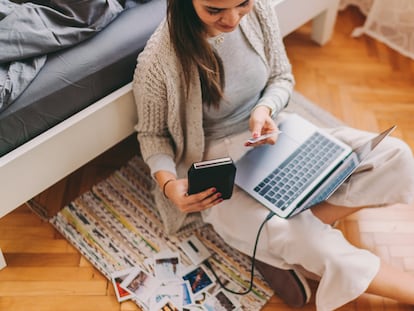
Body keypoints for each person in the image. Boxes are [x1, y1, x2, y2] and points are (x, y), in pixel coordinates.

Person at [132, 0, 414, 309]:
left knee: (394, 155)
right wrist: (169, 185)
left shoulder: (260, 10)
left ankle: (276, 250)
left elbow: (281, 77)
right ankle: (287, 242)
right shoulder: (158, 61)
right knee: (303, 237)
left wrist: (264, 109)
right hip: (219, 164)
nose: (232, 19)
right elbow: (152, 135)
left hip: (273, 136)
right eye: (215, 10)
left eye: (242, 4)